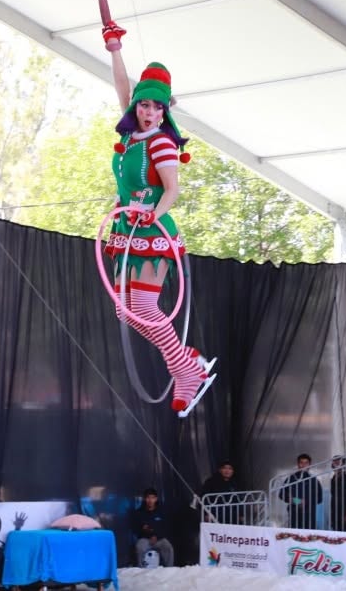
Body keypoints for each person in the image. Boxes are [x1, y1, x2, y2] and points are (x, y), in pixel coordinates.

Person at [102, 27, 210, 415]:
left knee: (145, 308)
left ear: (164, 111)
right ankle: (186, 362)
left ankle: (185, 371)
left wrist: (151, 213)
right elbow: (121, 85)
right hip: (124, 230)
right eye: (144, 106)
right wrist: (115, 48)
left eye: (156, 108)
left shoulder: (161, 143)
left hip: (151, 231)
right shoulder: (131, 135)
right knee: (124, 310)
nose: (149, 113)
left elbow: (172, 190)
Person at [131, 488, 174, 567]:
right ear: (144, 499)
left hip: (159, 538)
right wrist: (146, 532)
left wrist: (156, 536)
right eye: (148, 497)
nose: (150, 500)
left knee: (168, 547)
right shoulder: (139, 513)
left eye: (152, 498)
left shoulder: (162, 511)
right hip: (145, 539)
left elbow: (166, 527)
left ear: (156, 499)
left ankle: (170, 569)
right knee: (139, 547)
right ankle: (140, 569)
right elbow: (136, 529)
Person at [278, 454, 322, 530]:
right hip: (294, 514)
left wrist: (306, 502)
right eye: (301, 462)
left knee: (308, 535)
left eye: (306, 463)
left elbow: (319, 499)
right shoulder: (291, 478)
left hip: (309, 516)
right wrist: (296, 501)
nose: (304, 465)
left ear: (310, 465)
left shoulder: (314, 480)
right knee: (294, 534)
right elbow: (281, 494)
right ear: (298, 464)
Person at [328, 455, 346, 532]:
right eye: (334, 462)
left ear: (343, 464)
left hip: (345, 511)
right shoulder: (333, 479)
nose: (336, 464)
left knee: (345, 534)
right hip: (334, 511)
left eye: (338, 462)